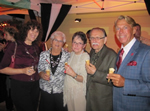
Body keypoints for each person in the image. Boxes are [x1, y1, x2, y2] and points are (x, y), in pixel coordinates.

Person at [107, 15, 150, 111]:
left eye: (125, 27)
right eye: (118, 28)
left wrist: (125, 83)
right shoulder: (120, 52)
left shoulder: (146, 52)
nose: (120, 32)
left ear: (134, 30)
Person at [0, 20, 42, 111]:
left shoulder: (36, 47)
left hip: (35, 86)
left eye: (36, 31)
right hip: (20, 86)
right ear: (25, 30)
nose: (34, 33)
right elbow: (2, 69)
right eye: (31, 30)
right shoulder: (15, 45)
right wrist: (22, 70)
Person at [85, 27, 117, 111]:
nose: (94, 40)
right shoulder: (91, 52)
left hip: (102, 102)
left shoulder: (112, 55)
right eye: (92, 38)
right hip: (90, 99)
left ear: (105, 39)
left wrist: (95, 73)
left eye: (98, 38)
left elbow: (113, 80)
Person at [38, 31, 70, 111]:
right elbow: (39, 69)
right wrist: (42, 75)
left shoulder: (68, 56)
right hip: (46, 90)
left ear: (63, 43)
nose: (58, 43)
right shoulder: (43, 54)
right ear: (51, 41)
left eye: (60, 41)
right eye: (56, 40)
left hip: (61, 91)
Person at [63, 31, 90, 111]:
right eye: (74, 42)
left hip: (78, 94)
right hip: (69, 91)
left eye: (80, 43)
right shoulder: (71, 54)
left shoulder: (85, 57)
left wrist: (73, 74)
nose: (76, 45)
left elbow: (84, 79)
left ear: (84, 45)